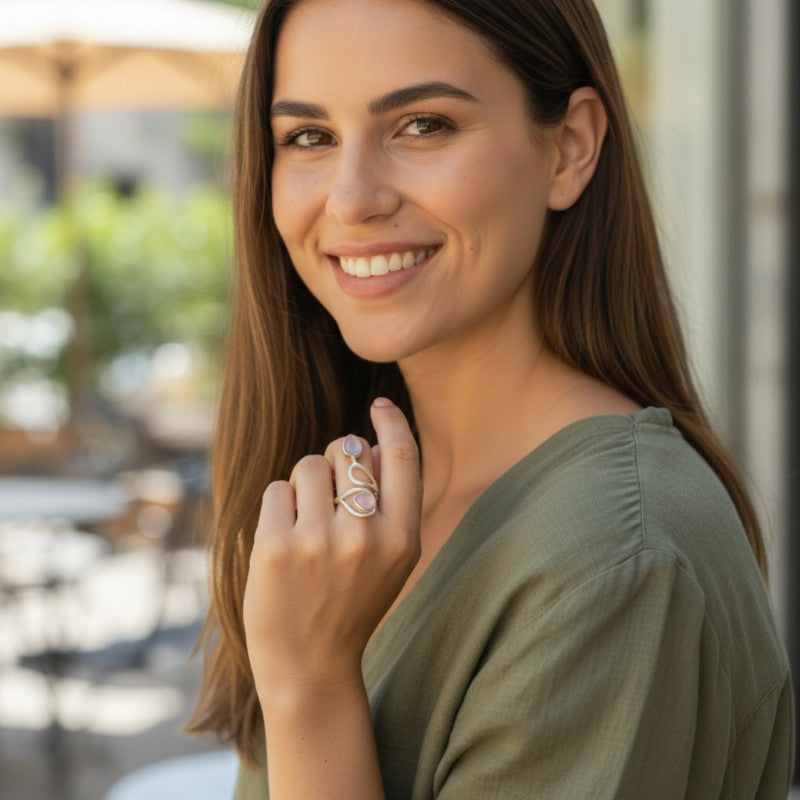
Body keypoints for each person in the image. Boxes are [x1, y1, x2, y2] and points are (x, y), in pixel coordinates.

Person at [187, 0, 795, 797]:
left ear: (570, 148)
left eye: (423, 125)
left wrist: (309, 688)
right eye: (309, 137)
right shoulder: (344, 514)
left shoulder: (613, 558)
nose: (352, 197)